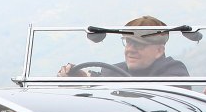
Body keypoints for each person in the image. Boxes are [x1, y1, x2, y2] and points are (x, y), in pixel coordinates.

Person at [60, 15, 189, 77]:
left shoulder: (174, 73)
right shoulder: (114, 70)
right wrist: (81, 76)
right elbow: (102, 80)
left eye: (139, 45)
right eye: (128, 42)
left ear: (159, 50)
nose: (130, 50)